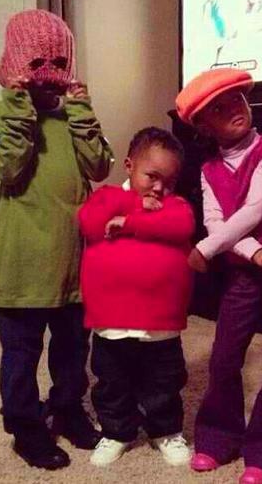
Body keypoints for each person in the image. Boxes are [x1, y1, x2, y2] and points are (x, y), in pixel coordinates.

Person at [0, 10, 113, 469]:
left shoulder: (72, 117)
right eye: (37, 62)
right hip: (21, 267)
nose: (49, 73)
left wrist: (81, 111)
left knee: (73, 350)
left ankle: (68, 409)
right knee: (21, 354)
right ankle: (24, 425)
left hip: (75, 265)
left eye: (59, 62)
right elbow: (8, 167)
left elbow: (100, 167)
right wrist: (19, 107)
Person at [175, 68, 262, 484]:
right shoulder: (208, 170)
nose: (233, 111)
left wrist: (206, 250)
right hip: (245, 273)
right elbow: (215, 222)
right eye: (218, 109)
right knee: (224, 356)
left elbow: (253, 212)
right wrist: (252, 252)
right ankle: (218, 436)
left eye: (236, 100)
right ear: (204, 126)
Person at [78, 127, 195, 468]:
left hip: (161, 322)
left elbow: (183, 225)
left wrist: (130, 221)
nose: (159, 188)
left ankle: (166, 430)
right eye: (152, 176)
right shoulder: (108, 196)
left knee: (164, 382)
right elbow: (89, 222)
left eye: (168, 181)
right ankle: (117, 431)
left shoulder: (175, 205)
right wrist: (135, 204)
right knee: (112, 382)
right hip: (111, 319)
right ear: (129, 165)